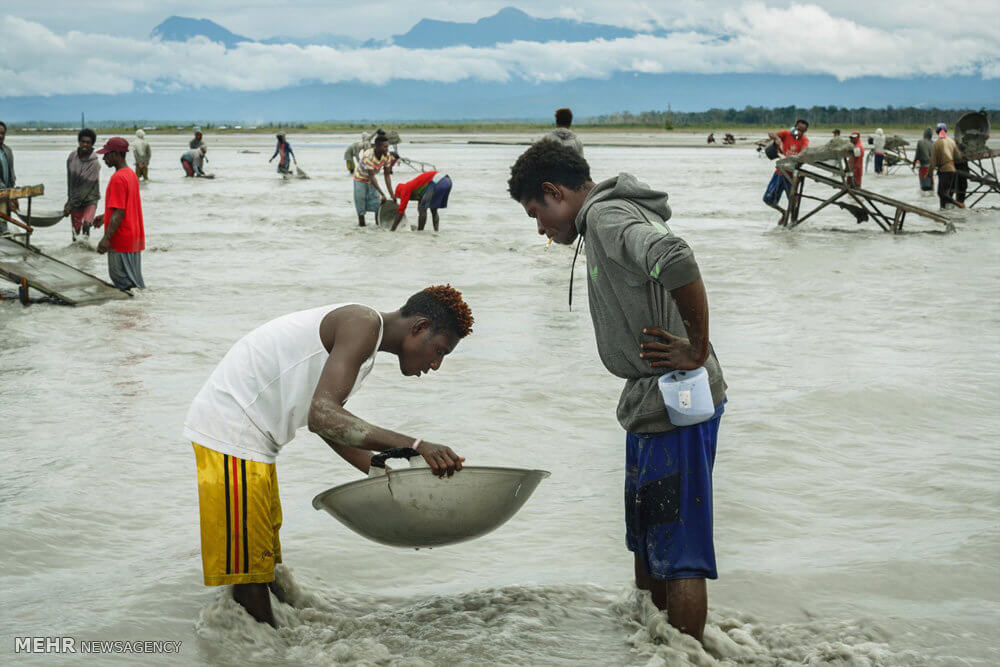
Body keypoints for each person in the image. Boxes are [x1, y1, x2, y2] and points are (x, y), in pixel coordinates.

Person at [507, 141, 726, 643]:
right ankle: (652, 646)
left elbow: (676, 256)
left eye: (535, 213)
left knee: (679, 548)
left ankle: (686, 654)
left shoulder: (605, 218)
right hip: (651, 403)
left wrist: (697, 346)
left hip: (678, 402)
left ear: (553, 192)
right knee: (649, 539)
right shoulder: (603, 220)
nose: (539, 228)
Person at [183, 286, 473, 626]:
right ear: (419, 327)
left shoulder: (365, 342)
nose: (436, 365)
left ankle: (273, 642)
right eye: (439, 351)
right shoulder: (361, 323)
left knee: (266, 567)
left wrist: (384, 474)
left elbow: (328, 426)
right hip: (230, 433)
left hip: (253, 443)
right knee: (248, 578)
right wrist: (417, 444)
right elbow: (323, 415)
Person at [95, 137, 146, 290]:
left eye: (107, 154)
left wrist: (106, 238)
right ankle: (136, 309)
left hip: (121, 239)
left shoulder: (118, 178)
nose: (104, 158)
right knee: (133, 279)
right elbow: (125, 207)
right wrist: (105, 217)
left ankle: (127, 312)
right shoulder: (131, 174)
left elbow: (119, 212)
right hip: (134, 237)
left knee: (120, 278)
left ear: (116, 154)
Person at [763, 119, 809, 212]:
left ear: (805, 132)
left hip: (793, 174)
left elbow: (805, 149)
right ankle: (783, 212)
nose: (799, 133)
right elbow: (771, 133)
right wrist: (777, 138)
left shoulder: (804, 140)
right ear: (795, 127)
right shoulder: (786, 133)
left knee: (793, 201)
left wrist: (798, 156)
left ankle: (790, 217)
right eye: (798, 129)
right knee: (768, 199)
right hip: (780, 172)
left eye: (802, 131)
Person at [63, 128, 101, 240]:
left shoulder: (94, 163)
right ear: (79, 142)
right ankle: (76, 253)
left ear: (92, 144)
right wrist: (69, 200)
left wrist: (71, 204)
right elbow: (69, 181)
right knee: (75, 231)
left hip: (90, 199)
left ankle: (86, 250)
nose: (85, 144)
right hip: (75, 199)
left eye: (88, 142)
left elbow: (86, 187)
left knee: (86, 225)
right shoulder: (71, 157)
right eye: (82, 142)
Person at [352, 132, 394, 226]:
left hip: (372, 179)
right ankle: (362, 226)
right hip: (360, 178)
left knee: (377, 204)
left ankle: (378, 226)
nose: (387, 149)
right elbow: (371, 176)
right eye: (385, 147)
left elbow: (387, 175)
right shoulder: (368, 155)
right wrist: (382, 193)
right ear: (377, 147)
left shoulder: (387, 156)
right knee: (360, 203)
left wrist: (392, 195)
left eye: (388, 146)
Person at [930, 126, 965, 210]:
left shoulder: (936, 143)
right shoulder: (951, 141)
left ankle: (958, 204)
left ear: (937, 132)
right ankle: (942, 209)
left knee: (941, 193)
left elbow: (933, 162)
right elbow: (958, 157)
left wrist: (929, 173)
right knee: (944, 193)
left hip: (944, 171)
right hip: (951, 170)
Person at [0, 120, 18, 234]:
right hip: (1, 195)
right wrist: (7, 195)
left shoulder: (7, 151)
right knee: (2, 227)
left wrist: (13, 195)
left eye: (2, 133)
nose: (0, 136)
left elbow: (11, 175)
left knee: (4, 222)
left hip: (5, 194)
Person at [913, 127, 934, 194]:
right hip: (931, 168)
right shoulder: (933, 143)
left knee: (924, 188)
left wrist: (913, 164)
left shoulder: (920, 142)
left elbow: (917, 156)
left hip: (923, 167)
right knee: (931, 187)